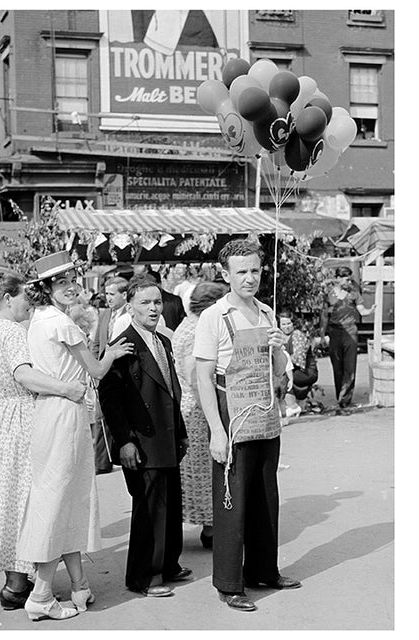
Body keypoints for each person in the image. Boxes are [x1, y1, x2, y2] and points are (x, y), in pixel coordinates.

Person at [16, 251, 133, 622]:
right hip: (66, 412)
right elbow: (96, 370)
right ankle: (41, 594)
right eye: (60, 282)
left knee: (61, 497)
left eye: (71, 280)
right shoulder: (63, 325)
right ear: (46, 289)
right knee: (59, 500)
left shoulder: (39, 320)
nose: (70, 287)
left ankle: (79, 583)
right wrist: (112, 352)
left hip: (47, 413)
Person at [0, 272, 86, 611]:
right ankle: (21, 585)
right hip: (21, 418)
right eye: (23, 298)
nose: (28, 304)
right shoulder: (14, 333)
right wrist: (66, 388)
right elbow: (23, 374)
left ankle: (15, 582)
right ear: (7, 298)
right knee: (29, 502)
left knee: (2, 503)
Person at [194, 238, 301, 612]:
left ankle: (263, 571)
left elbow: (277, 369)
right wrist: (217, 432)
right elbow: (203, 378)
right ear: (226, 275)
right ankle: (229, 582)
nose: (250, 278)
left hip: (265, 412)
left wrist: (278, 345)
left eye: (255, 270)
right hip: (231, 412)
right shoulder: (214, 317)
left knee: (265, 497)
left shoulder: (267, 313)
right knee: (232, 500)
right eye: (241, 272)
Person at [98, 276, 192, 598]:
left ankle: (169, 564)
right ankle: (144, 577)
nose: (153, 308)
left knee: (171, 505)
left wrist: (180, 433)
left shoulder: (162, 341)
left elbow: (171, 393)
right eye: (145, 303)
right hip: (142, 441)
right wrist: (124, 440)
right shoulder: (121, 346)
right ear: (131, 307)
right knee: (149, 509)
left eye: (157, 302)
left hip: (167, 436)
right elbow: (110, 399)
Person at [171, 280, 227, 550]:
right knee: (203, 472)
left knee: (198, 472)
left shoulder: (187, 326)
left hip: (191, 406)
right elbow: (195, 376)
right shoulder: (197, 331)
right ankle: (210, 527)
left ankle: (209, 525)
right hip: (197, 409)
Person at [320, 266, 376, 411]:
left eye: (350, 279)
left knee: (350, 367)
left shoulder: (354, 294)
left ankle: (345, 400)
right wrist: (321, 335)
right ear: (338, 278)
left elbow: (362, 311)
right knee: (337, 366)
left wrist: (371, 310)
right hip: (334, 333)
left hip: (350, 332)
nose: (349, 282)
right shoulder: (329, 294)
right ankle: (340, 397)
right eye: (346, 279)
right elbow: (324, 316)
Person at [90, 276, 130, 474]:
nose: (108, 298)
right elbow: (97, 342)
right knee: (100, 418)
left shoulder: (131, 313)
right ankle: (101, 463)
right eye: (106, 293)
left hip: (124, 373)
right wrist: (94, 365)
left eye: (112, 294)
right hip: (104, 372)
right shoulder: (105, 314)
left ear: (124, 295)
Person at [278, 310, 318, 415]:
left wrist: (280, 364)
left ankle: (293, 406)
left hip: (306, 371)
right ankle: (285, 407)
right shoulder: (281, 336)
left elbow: (297, 359)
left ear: (293, 324)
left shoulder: (297, 335)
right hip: (293, 370)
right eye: (283, 324)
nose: (286, 327)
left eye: (288, 323)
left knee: (282, 378)